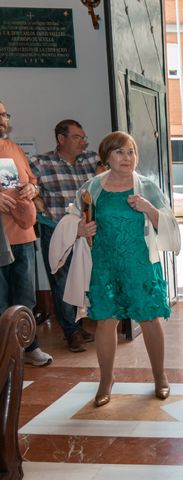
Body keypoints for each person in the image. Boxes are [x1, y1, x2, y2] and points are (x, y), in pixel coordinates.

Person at [67, 131, 181, 407]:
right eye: (119, 152)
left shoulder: (147, 187)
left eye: (131, 152)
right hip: (105, 265)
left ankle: (160, 377)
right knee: (106, 321)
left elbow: (169, 224)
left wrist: (148, 208)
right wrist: (80, 229)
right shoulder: (92, 187)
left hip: (141, 264)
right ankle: (106, 381)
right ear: (106, 157)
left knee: (150, 319)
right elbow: (73, 218)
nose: (127, 158)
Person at [30, 119, 102, 352]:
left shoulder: (90, 160)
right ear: (61, 139)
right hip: (56, 229)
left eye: (83, 138)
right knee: (60, 281)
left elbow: (107, 170)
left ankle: (79, 323)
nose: (82, 142)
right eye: (77, 137)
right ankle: (70, 332)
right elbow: (27, 186)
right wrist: (37, 203)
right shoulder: (41, 162)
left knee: (84, 278)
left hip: (86, 230)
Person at [0, 100, 53, 366]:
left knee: (25, 297)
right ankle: (5, 355)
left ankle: (29, 347)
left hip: (22, 236)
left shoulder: (14, 149)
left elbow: (31, 181)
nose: (2, 119)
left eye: (4, 114)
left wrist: (33, 190)